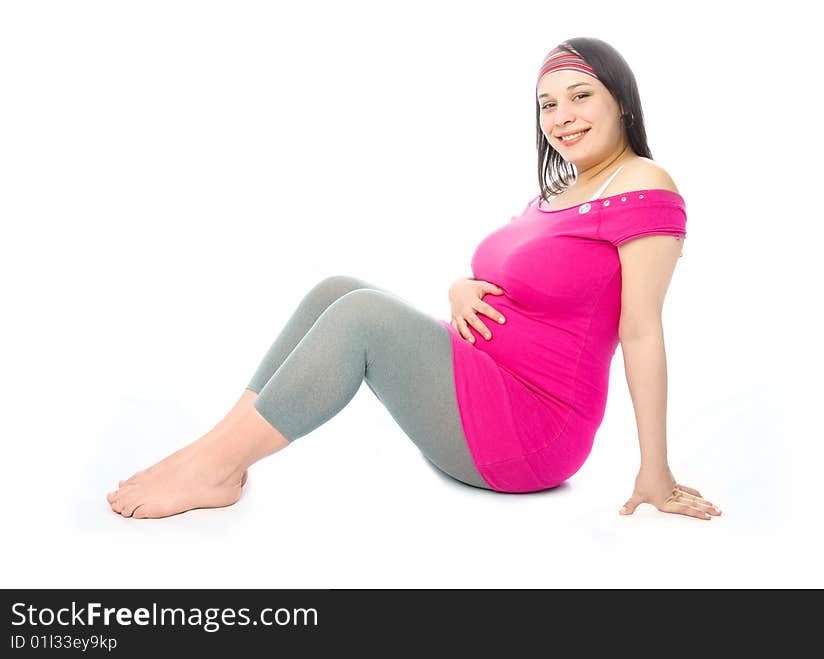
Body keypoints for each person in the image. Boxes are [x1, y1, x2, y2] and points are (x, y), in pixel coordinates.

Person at [106, 37, 721, 521]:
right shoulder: (559, 191)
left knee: (364, 315)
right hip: (478, 391)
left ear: (620, 98)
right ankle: (215, 452)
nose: (561, 117)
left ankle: (212, 469)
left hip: (529, 431)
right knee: (336, 289)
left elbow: (641, 332)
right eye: (548, 104)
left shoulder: (644, 185)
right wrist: (459, 288)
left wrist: (655, 471)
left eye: (580, 96)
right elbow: (522, 279)